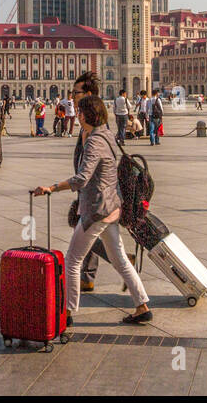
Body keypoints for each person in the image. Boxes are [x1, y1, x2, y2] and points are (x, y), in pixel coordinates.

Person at [33, 94, 151, 326]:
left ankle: (67, 313)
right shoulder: (105, 134)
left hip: (97, 210)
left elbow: (82, 178)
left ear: (87, 115)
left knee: (72, 260)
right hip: (112, 207)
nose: (77, 115)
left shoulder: (95, 141)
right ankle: (142, 306)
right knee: (120, 260)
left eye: (80, 111)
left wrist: (52, 188)